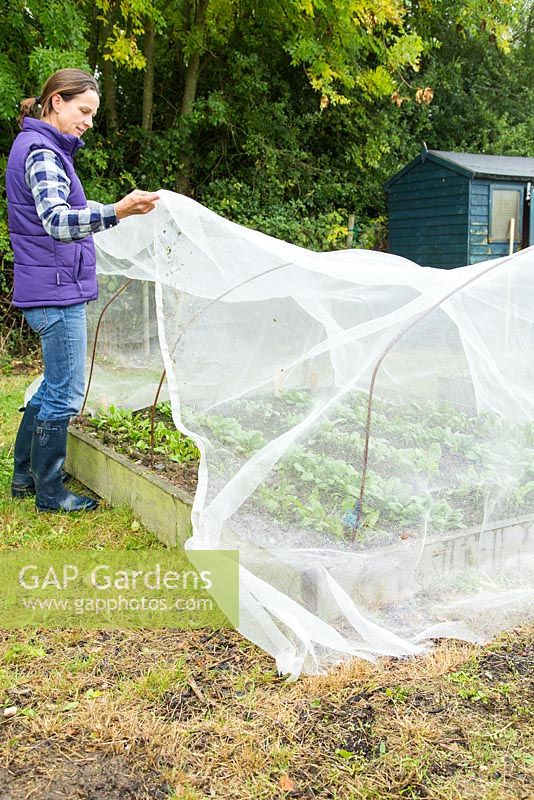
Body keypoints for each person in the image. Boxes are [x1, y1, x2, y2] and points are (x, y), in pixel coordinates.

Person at [6, 68, 160, 512]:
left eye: (92, 113)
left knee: (52, 385)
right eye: (84, 110)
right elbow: (56, 221)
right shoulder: (41, 152)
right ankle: (50, 493)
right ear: (57, 101)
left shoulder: (41, 147)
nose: (89, 121)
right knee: (67, 391)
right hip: (56, 291)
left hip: (50, 285)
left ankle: (24, 477)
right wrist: (117, 210)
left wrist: (120, 211)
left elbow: (62, 209)